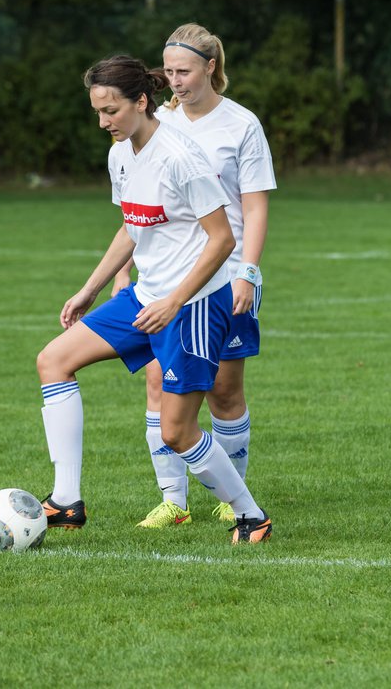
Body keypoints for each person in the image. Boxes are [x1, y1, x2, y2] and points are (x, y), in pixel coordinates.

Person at [37, 55, 273, 544]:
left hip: (195, 306)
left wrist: (174, 301)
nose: (103, 122)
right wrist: (91, 287)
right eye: (97, 112)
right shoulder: (120, 153)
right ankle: (66, 502)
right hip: (146, 298)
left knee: (177, 434)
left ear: (141, 102)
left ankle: (251, 515)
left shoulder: (182, 158)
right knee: (53, 360)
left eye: (111, 111)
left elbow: (222, 239)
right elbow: (132, 223)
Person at [113, 23, 276, 529]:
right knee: (159, 383)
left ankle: (232, 495)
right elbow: (134, 205)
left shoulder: (241, 125)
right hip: (162, 282)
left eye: (185, 71)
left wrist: (248, 273)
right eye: (169, 73)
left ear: (211, 67)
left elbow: (254, 204)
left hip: (222, 277)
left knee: (224, 390)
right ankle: (173, 502)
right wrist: (122, 270)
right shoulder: (155, 121)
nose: (176, 82)